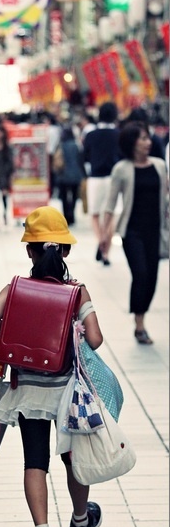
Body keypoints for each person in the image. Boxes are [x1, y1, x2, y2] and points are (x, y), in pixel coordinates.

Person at [0, 206, 104, 527]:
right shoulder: (76, 292)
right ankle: (80, 524)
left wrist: (15, 339)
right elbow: (95, 339)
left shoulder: (16, 287)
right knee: (72, 459)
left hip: (28, 389)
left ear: (29, 251)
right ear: (65, 251)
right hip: (66, 391)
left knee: (34, 460)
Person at [101, 122, 169, 345]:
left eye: (149, 138)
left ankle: (142, 317)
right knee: (140, 274)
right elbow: (110, 204)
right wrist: (105, 235)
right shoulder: (122, 168)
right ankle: (139, 325)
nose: (148, 142)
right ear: (132, 143)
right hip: (132, 232)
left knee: (152, 278)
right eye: (143, 138)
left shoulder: (159, 166)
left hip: (155, 231)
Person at [83, 101, 122, 266]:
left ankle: (101, 243)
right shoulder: (119, 134)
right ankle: (106, 251)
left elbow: (84, 158)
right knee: (111, 214)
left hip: (96, 178)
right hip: (113, 178)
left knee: (95, 214)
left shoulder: (91, 135)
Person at [54, 127, 86, 226]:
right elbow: (81, 160)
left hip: (63, 175)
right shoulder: (76, 145)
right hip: (75, 174)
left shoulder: (60, 145)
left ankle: (65, 216)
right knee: (74, 196)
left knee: (64, 197)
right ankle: (72, 215)